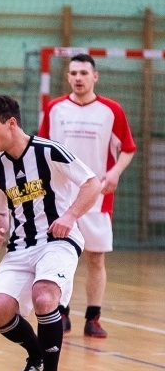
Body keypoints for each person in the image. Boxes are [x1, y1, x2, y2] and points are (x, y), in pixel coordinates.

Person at [0, 95, 101, 371]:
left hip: (58, 241)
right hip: (20, 246)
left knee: (45, 295)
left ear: (11, 123)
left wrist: (70, 216)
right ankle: (35, 357)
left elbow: (92, 183)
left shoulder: (48, 152)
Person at [38, 53, 137, 338]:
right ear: (67, 77)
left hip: (97, 197)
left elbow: (127, 148)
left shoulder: (111, 110)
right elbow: (44, 150)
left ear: (95, 76)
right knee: (61, 257)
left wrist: (115, 171)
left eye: (84, 73)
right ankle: (62, 313)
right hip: (60, 198)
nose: (78, 78)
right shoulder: (55, 109)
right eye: (73, 73)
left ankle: (93, 318)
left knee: (96, 259)